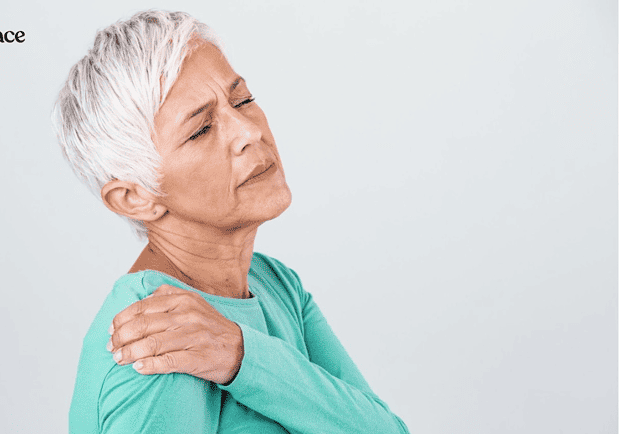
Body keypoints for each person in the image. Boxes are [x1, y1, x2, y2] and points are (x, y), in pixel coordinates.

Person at [52, 10, 410, 434]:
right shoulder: (155, 336)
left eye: (242, 101)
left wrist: (242, 356)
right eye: (201, 129)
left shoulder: (277, 286)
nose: (248, 132)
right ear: (135, 197)